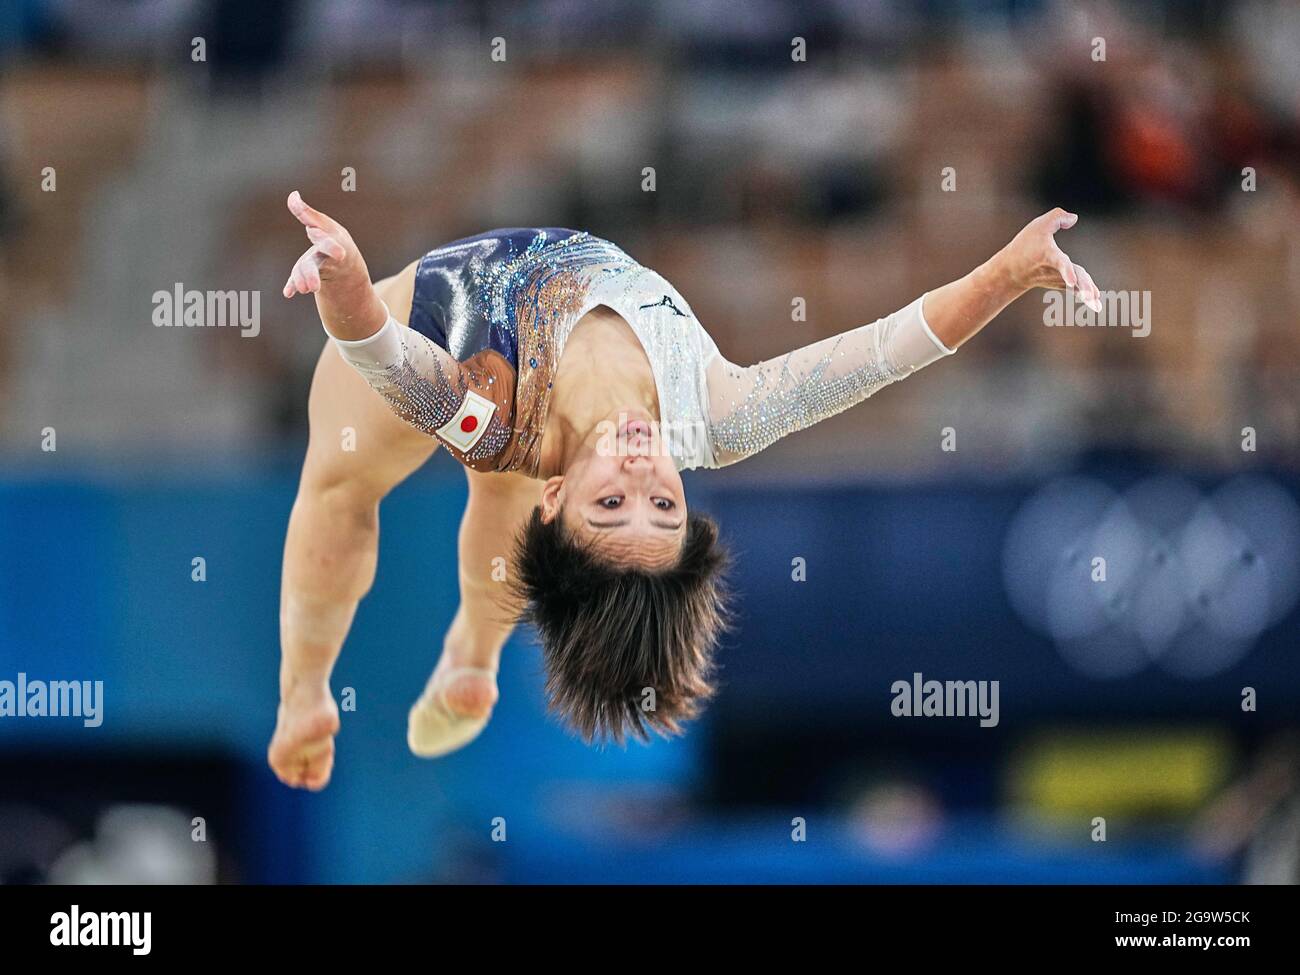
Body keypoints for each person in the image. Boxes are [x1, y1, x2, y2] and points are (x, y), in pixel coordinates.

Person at [267, 191, 1101, 790]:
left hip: (419, 313)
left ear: (563, 500)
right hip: (513, 412)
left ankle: (306, 692)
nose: (640, 475)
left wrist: (342, 279)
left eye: (610, 505)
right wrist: (1009, 271)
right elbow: (884, 353)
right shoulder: (718, 415)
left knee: (343, 487)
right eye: (665, 505)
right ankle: (471, 655)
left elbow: (380, 350)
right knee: (499, 491)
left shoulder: (493, 418)